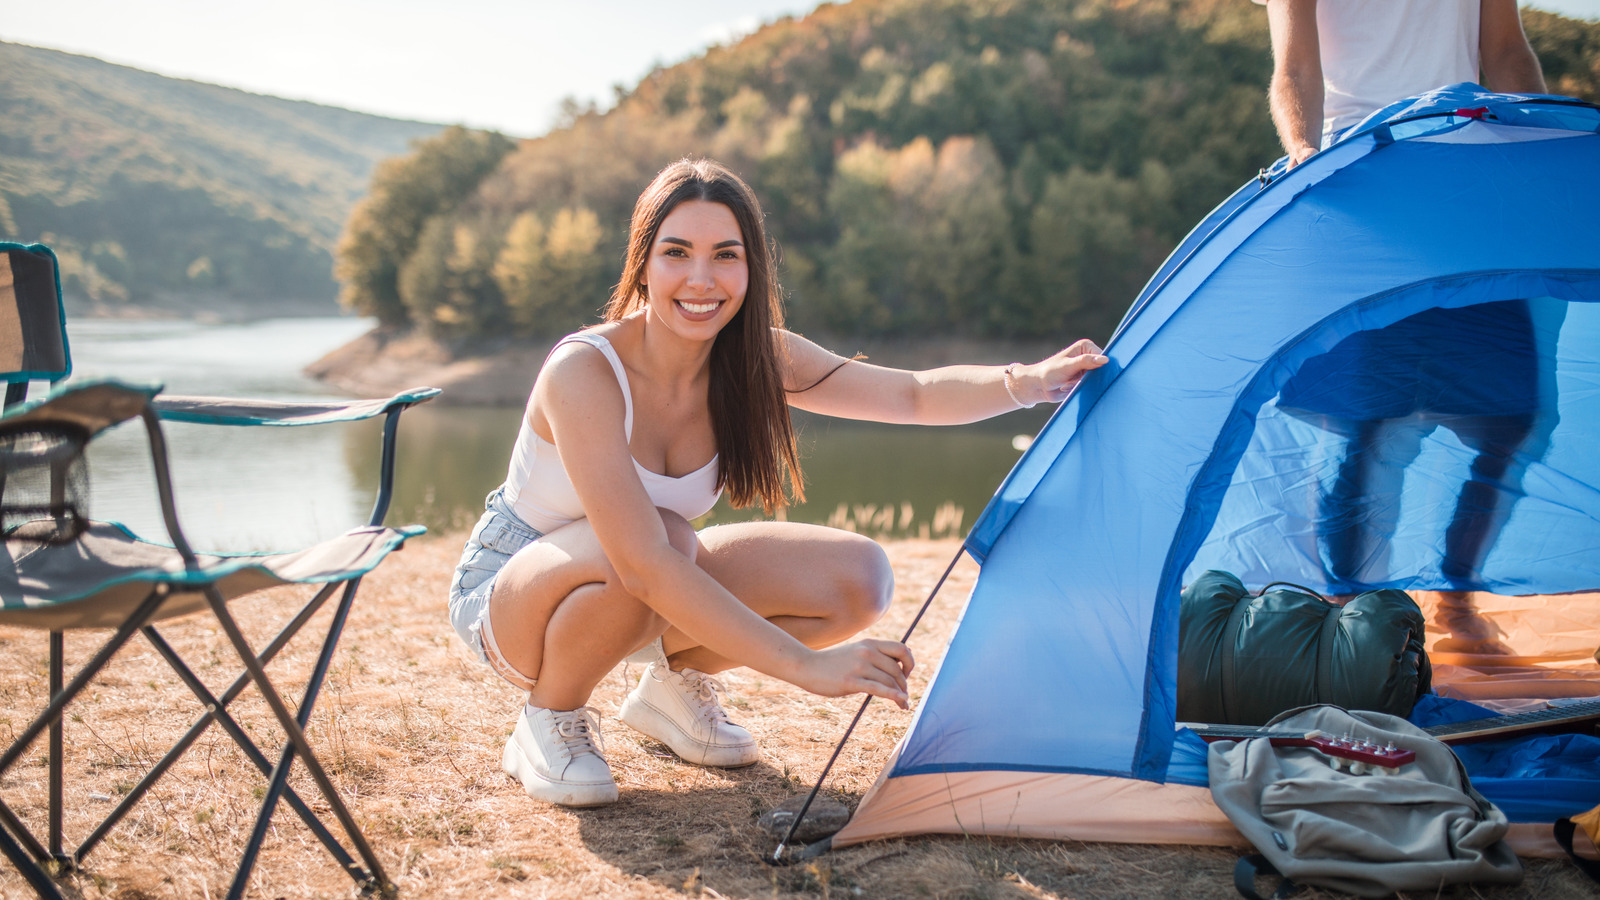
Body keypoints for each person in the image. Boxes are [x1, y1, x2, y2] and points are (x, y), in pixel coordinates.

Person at [447, 158, 1109, 807]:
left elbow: (910, 395)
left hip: (649, 580)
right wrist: (806, 666)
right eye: (676, 252)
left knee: (859, 577)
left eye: (725, 255)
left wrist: (1027, 382)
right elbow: (644, 561)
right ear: (643, 264)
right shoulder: (584, 371)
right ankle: (549, 716)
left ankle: (673, 688)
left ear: (751, 267)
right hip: (516, 596)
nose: (701, 279)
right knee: (668, 541)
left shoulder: (756, 357)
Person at [1260, 0, 1551, 653]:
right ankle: (1346, 611)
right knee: (1360, 418)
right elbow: (1295, 68)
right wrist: (1307, 154)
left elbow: (1505, 53)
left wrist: (1547, 151)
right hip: (1365, 182)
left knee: (1510, 415)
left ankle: (1456, 598)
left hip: (1470, 178)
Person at [1262, 0, 1546, 167]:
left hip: (1461, 139)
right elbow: (1296, 67)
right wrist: (1302, 149)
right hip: (1355, 149)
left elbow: (1507, 51)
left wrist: (1542, 134)